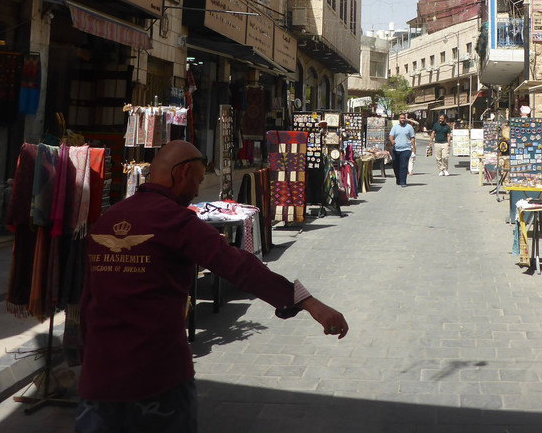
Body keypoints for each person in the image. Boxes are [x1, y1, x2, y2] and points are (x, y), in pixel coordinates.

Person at [77, 140, 348, 431]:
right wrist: (307, 302)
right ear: (181, 175)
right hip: (156, 376)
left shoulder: (108, 219)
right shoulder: (177, 221)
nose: (196, 190)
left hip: (99, 378)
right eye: (196, 180)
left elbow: (89, 298)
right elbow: (237, 265)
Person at [388, 112, 415, 187]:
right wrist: (392, 141)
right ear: (399, 119)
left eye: (404, 118)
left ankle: (403, 181)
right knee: (395, 165)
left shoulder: (409, 127)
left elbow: (412, 138)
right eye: (401, 118)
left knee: (403, 165)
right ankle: (398, 178)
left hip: (406, 149)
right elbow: (391, 136)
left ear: (405, 119)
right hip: (396, 150)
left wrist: (413, 149)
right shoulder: (395, 127)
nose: (403, 119)